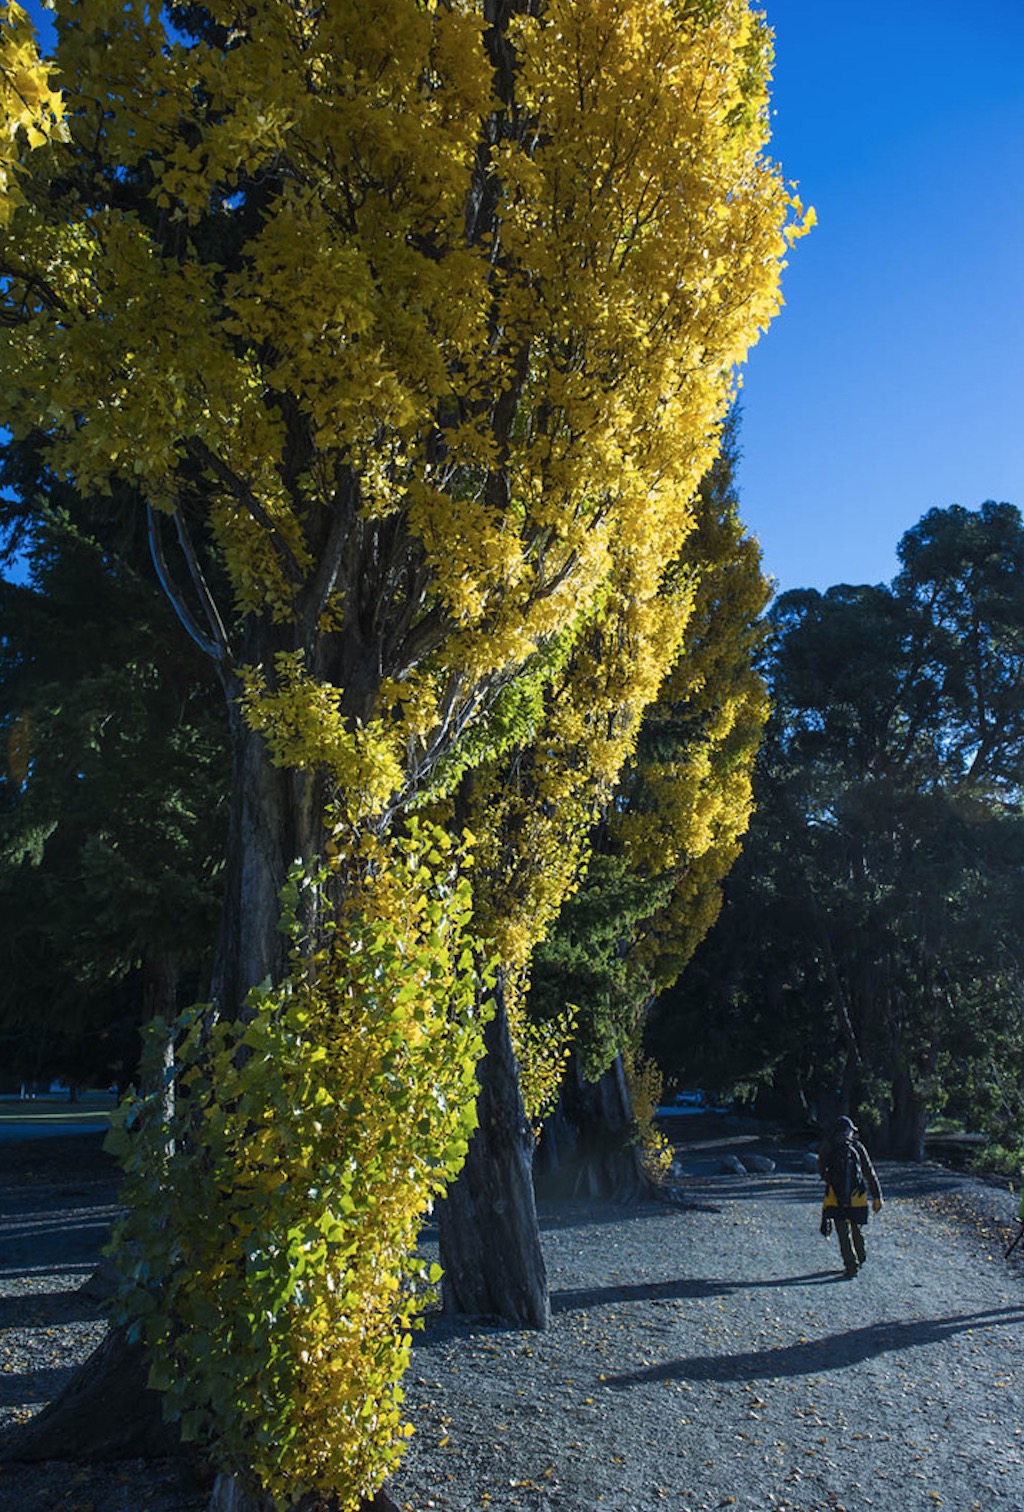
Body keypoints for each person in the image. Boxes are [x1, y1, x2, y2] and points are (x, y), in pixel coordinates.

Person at [818, 1115, 883, 1278]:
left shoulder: (828, 1146)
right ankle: (861, 1258)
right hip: (857, 1196)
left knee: (842, 1232)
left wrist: (832, 1183)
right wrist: (877, 1196)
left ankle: (850, 1265)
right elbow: (869, 1172)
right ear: (848, 1131)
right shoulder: (858, 1147)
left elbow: (821, 1170)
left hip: (834, 1196)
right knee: (856, 1228)